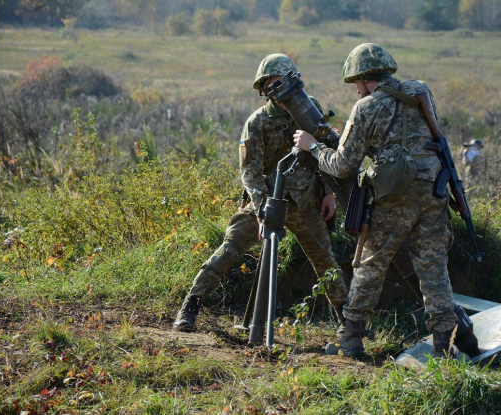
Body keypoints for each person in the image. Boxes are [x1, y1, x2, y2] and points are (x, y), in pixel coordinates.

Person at [294, 43, 480, 358]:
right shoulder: (420, 90)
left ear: (366, 79)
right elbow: (409, 138)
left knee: (370, 262)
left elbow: (341, 166)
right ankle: (443, 347)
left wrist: (312, 147)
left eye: (356, 83)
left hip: (396, 195)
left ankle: (350, 339)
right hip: (435, 190)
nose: (355, 91)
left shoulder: (365, 108)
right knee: (433, 268)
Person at [173, 54, 349, 334]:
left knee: (325, 260)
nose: (278, 90)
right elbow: (250, 172)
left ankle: (348, 324)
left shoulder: (309, 108)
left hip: (303, 200)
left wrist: (328, 192)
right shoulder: (256, 122)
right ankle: (190, 306)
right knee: (229, 250)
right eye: (271, 85)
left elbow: (325, 150)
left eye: (282, 82)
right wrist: (262, 210)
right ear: (264, 90)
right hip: (266, 199)